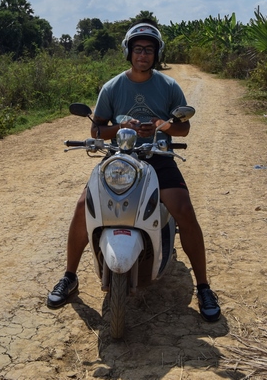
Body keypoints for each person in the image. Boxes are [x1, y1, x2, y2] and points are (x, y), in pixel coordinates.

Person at [46, 19, 221, 322]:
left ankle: (204, 285)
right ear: (129, 52)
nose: (143, 55)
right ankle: (70, 276)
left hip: (157, 156)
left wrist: (162, 126)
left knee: (183, 209)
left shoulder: (168, 86)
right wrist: (119, 127)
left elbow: (185, 128)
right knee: (82, 208)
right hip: (119, 158)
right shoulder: (112, 87)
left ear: (156, 54)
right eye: (138, 49)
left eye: (149, 50)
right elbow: (97, 128)